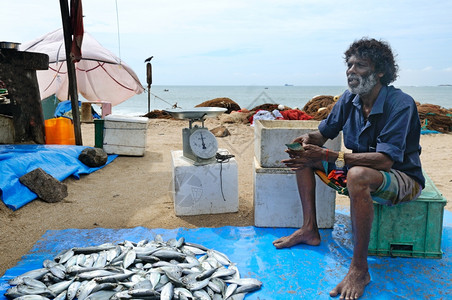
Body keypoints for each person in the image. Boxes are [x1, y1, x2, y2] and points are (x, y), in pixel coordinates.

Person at [273, 37, 425, 299]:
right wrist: (309, 142)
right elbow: (322, 135)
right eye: (350, 64)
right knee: (303, 156)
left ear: (380, 72)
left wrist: (330, 155)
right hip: (359, 171)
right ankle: (310, 229)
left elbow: (386, 161)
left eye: (361, 65)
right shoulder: (348, 99)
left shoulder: (401, 103)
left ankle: (359, 268)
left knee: (357, 175)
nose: (351, 71)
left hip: (402, 178)